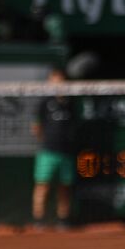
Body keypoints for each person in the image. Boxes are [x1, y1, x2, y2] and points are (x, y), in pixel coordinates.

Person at [32, 67, 76, 229]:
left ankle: (63, 220)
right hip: (47, 151)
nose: (57, 82)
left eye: (60, 78)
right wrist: (46, 142)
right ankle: (38, 220)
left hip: (66, 152)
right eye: (54, 78)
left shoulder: (71, 102)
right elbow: (36, 127)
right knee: (42, 185)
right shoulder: (44, 102)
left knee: (64, 187)